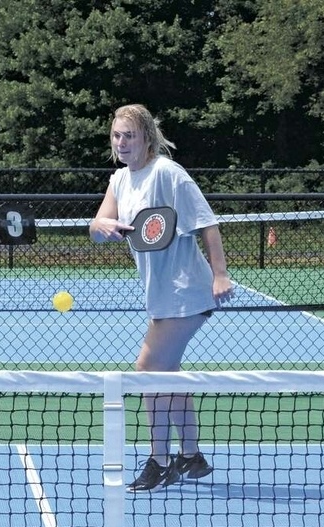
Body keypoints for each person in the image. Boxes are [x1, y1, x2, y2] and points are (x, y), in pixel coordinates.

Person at [88, 104, 235, 491]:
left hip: (188, 291)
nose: (122, 143)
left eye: (130, 136)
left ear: (147, 137)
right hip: (160, 296)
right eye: (117, 136)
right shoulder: (119, 180)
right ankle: (191, 455)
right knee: (167, 375)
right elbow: (97, 226)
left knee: (146, 370)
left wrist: (220, 273)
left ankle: (159, 460)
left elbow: (207, 223)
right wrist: (101, 225)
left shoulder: (169, 174)